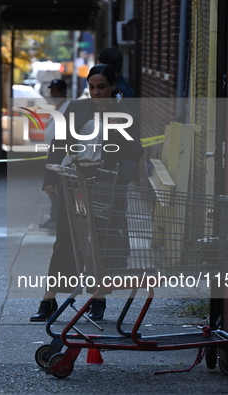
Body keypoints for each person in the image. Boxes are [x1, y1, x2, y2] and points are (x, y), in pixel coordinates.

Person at [30, 64, 142, 322]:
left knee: (101, 242)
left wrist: (118, 127)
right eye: (91, 87)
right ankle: (48, 299)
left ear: (113, 86)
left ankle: (98, 299)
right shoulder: (77, 108)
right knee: (65, 240)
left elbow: (135, 153)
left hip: (106, 183)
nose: (96, 92)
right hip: (75, 180)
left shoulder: (124, 113)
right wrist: (50, 177)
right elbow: (59, 142)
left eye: (101, 87)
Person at [90, 47, 143, 319]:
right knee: (106, 221)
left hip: (114, 168)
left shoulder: (119, 96)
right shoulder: (122, 91)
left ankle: (108, 277)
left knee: (109, 220)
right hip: (108, 169)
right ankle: (102, 285)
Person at [39, 79, 69, 230]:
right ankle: (53, 218)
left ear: (65, 92)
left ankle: (56, 220)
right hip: (53, 155)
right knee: (53, 189)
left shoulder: (67, 109)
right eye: (53, 91)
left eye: (58, 91)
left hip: (60, 157)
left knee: (55, 188)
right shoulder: (56, 109)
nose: (55, 94)